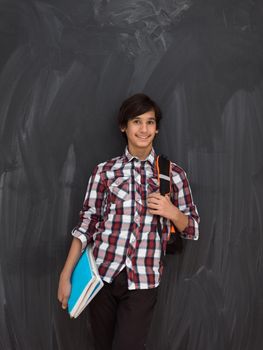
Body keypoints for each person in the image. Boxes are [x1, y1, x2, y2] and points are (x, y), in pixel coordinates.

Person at [57, 93, 200, 350]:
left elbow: (192, 228)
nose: (144, 129)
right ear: (124, 126)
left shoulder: (173, 174)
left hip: (143, 280)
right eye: (137, 121)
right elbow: (86, 226)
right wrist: (65, 275)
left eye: (150, 122)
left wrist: (172, 211)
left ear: (156, 128)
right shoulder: (104, 172)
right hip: (101, 277)